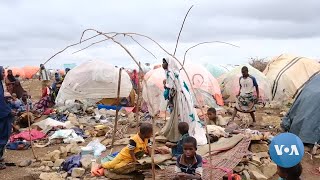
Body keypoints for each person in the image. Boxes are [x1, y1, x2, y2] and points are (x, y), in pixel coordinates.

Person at [161, 58, 207, 145]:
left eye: (164, 62)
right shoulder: (171, 73)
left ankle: (180, 134)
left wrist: (165, 85)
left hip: (180, 98)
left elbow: (171, 87)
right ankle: (178, 133)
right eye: (162, 62)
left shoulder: (172, 73)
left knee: (181, 114)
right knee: (178, 114)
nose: (162, 64)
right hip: (178, 97)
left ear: (169, 63)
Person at [0, 66, 13, 170]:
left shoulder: (1, 84)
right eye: (2, 72)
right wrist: (9, 111)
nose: (4, 74)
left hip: (3, 113)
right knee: (2, 137)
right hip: (2, 115)